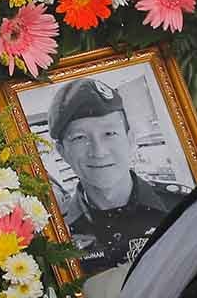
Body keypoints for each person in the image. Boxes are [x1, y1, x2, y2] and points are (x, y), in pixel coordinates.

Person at [47, 76, 189, 275]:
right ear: (62, 152)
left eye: (109, 134)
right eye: (80, 138)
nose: (98, 151)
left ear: (131, 140)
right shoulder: (55, 234)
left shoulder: (182, 206)